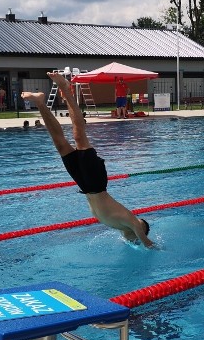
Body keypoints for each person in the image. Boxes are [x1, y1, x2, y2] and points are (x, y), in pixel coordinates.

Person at [22, 72, 154, 247]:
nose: (138, 224)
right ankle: (64, 86)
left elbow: (130, 240)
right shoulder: (134, 223)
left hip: (85, 186)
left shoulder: (120, 227)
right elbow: (148, 244)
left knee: (60, 144)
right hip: (96, 183)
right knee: (78, 135)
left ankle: (39, 102)